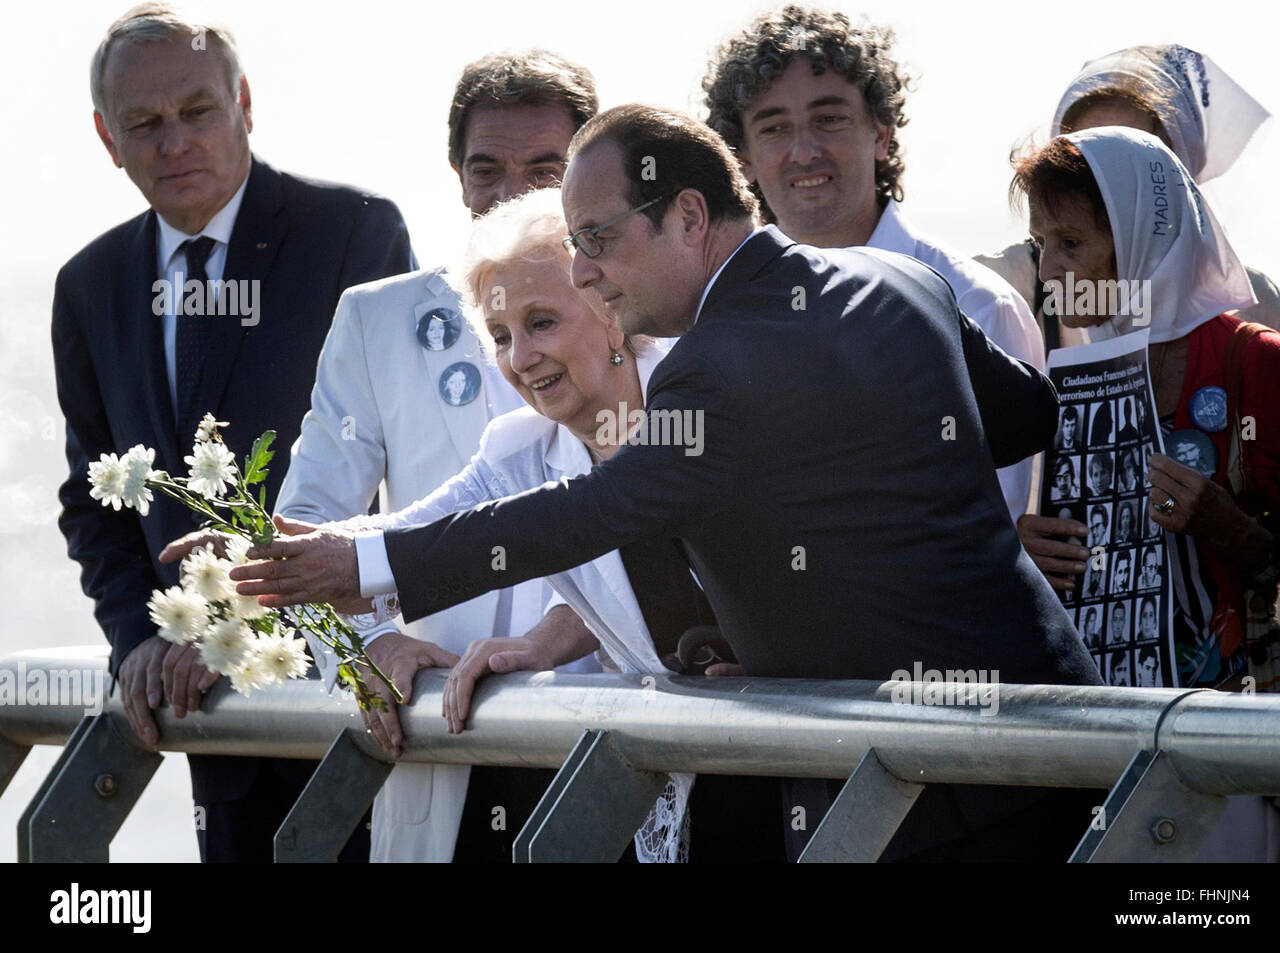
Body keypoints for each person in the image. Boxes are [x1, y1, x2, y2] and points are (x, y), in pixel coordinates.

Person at [231, 104, 1105, 863]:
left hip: (917, 792)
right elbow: (1026, 417)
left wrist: (364, 568)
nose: (583, 273)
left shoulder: (713, 365)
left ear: (689, 216)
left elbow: (597, 510)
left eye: (599, 240)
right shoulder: (902, 277)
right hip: (1053, 730)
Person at [315, 188, 782, 863]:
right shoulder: (518, 447)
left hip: (785, 756)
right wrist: (261, 552)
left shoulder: (702, 396)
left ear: (613, 312)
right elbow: (403, 543)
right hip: (660, 773)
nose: (520, 357)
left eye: (541, 322)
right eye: (501, 336)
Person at [53, 3, 415, 862]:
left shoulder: (354, 234)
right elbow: (92, 500)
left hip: (357, 704)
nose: (174, 140)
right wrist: (140, 636)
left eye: (197, 111)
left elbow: (389, 468)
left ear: (243, 101)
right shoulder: (90, 285)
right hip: (209, 728)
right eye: (144, 123)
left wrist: (241, 620)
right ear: (108, 139)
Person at [262, 51, 604, 864]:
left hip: (604, 727)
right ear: (455, 174)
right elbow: (308, 523)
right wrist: (365, 651)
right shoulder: (376, 321)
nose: (512, 195)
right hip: (438, 740)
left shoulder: (641, 305)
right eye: (487, 169)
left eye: (545, 170)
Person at [700, 5, 1046, 519]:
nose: (804, 150)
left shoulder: (975, 304)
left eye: (829, 119)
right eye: (774, 128)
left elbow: (998, 529)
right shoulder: (712, 323)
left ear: (881, 133)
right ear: (742, 159)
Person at [1011, 127, 1280, 692]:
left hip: (1244, 734)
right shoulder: (1065, 375)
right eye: (1041, 244)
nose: (1046, 273)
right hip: (1114, 722)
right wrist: (1027, 555)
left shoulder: (1258, 362)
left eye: (1070, 243)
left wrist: (1223, 524)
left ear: (1142, 239)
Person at [977, 44, 1280, 345]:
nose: (1106, 183)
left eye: (1133, 162)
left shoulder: (1250, 307)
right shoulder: (1007, 286)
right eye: (1083, 158)